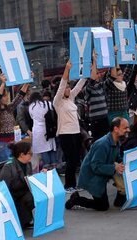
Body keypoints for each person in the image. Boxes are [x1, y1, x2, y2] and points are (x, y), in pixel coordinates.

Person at [67, 117, 129, 211]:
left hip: (103, 172)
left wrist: (127, 160)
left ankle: (119, 200)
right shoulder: (102, 144)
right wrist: (114, 167)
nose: (128, 130)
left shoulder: (116, 141)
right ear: (116, 129)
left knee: (121, 178)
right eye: (125, 128)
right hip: (92, 177)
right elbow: (95, 166)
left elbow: (116, 158)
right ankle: (77, 199)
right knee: (102, 206)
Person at [54, 60, 88, 190]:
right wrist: (67, 69)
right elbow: (62, 85)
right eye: (67, 87)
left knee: (76, 159)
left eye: (69, 87)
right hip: (65, 133)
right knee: (70, 160)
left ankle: (73, 184)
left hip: (75, 132)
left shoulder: (71, 98)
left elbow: (80, 85)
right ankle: (69, 185)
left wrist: (87, 70)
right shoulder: (58, 102)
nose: (68, 89)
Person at [0, 73, 30, 163]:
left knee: (13, 164)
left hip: (12, 141)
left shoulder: (9, 108)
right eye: (4, 96)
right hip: (1, 144)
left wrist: (27, 82)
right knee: (4, 165)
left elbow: (19, 96)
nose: (7, 97)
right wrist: (3, 83)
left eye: (7, 95)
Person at [0, 141, 35, 228]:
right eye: (30, 153)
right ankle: (22, 219)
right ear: (21, 154)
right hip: (13, 195)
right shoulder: (8, 167)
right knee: (30, 197)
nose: (31, 155)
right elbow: (3, 187)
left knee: (36, 194)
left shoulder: (28, 164)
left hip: (23, 191)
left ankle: (26, 219)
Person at [27, 92, 57, 172]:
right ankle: (54, 167)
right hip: (49, 128)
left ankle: (46, 168)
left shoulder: (31, 107)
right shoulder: (48, 103)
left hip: (37, 130)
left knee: (43, 150)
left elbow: (31, 117)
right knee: (51, 149)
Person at [85, 53, 111, 139]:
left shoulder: (101, 86)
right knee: (98, 142)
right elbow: (92, 79)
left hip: (105, 118)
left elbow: (112, 78)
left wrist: (113, 57)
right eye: (97, 73)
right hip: (96, 121)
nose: (99, 75)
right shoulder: (88, 88)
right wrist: (94, 61)